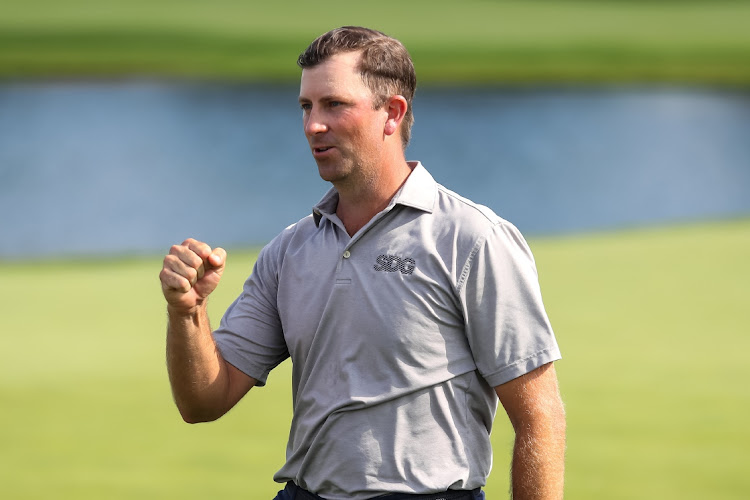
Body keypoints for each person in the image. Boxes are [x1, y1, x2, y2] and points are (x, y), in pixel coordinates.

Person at [159, 26, 565, 500]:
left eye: (334, 104)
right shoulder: (289, 250)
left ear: (391, 113)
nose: (313, 124)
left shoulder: (473, 238)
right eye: (306, 107)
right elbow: (204, 401)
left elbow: (540, 416)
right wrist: (187, 313)